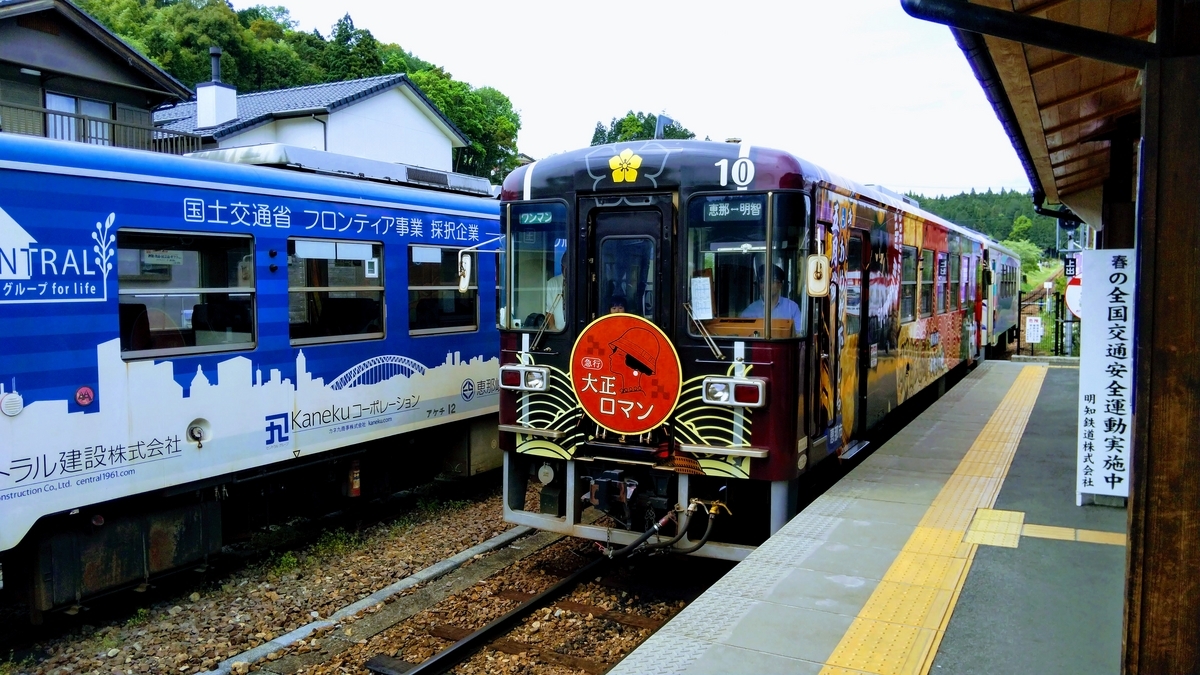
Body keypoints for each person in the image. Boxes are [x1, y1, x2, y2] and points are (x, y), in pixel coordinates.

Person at [740, 264, 803, 335]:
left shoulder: (792, 308)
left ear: (780, 285)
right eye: (762, 281)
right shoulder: (750, 311)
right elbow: (741, 334)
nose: (765, 285)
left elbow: (799, 335)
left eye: (771, 281)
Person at [544, 254, 566, 329]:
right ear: (561, 266)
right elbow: (549, 309)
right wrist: (552, 327)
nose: (565, 269)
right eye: (564, 267)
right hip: (559, 331)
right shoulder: (552, 283)